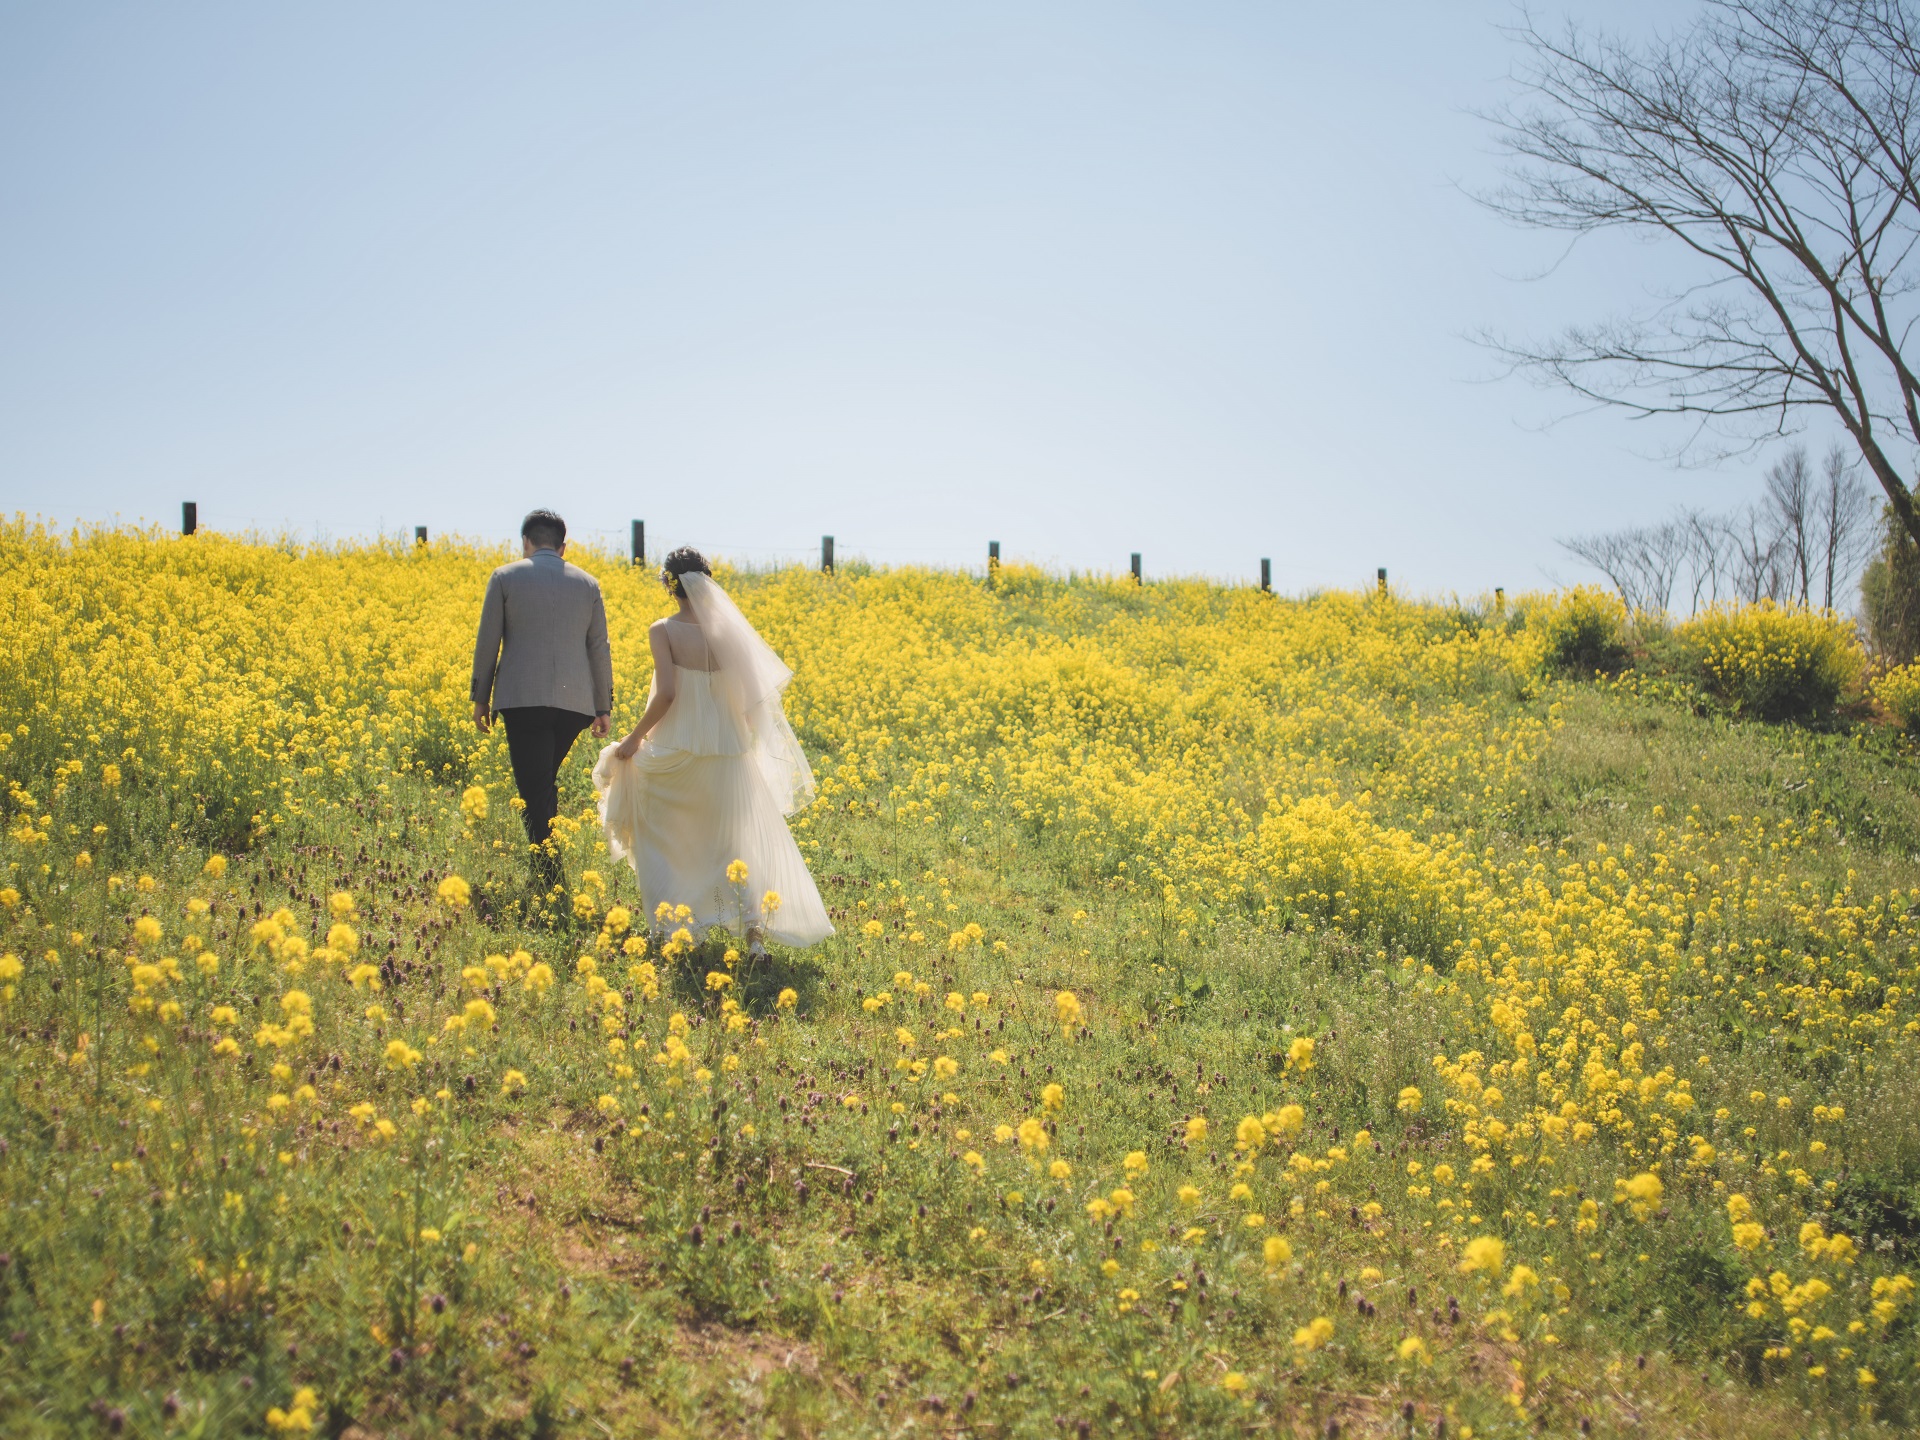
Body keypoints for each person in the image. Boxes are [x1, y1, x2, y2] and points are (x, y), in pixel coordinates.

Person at [593, 546, 832, 953]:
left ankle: (675, 925)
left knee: (665, 837)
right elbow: (754, 700)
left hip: (676, 747)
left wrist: (634, 738)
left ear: (670, 585)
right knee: (734, 844)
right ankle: (754, 933)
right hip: (727, 753)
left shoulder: (663, 629)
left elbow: (667, 694)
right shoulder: (727, 632)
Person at [471, 509, 614, 893]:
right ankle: (546, 872)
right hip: (574, 706)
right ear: (563, 547)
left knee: (534, 788)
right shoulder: (589, 584)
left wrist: (480, 698)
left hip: (522, 700)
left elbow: (489, 641)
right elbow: (598, 647)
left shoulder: (504, 577)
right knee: (541, 784)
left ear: (526, 543)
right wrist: (604, 707)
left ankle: (551, 880)